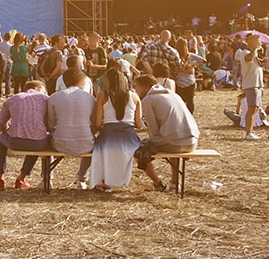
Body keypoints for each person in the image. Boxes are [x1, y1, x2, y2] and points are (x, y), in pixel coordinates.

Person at [89, 63, 141, 191]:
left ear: (108, 81)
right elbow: (139, 124)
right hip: (129, 138)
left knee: (100, 148)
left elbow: (97, 123)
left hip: (109, 135)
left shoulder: (103, 95)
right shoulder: (134, 96)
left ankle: (104, 181)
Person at [134, 74, 189, 191]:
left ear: (145, 87)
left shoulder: (148, 99)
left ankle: (158, 183)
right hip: (191, 141)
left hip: (175, 143)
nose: (135, 90)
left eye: (136, 87)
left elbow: (153, 131)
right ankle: (175, 182)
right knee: (171, 137)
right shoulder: (173, 94)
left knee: (136, 148)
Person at [0, 81, 49, 190]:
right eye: (44, 91)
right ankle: (22, 178)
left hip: (15, 141)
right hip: (39, 143)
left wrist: (8, 129)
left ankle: (0, 177)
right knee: (37, 139)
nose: (45, 93)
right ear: (36, 88)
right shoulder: (46, 99)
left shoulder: (13, 99)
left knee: (1, 139)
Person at [44, 66, 95, 187]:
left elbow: (50, 124)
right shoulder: (91, 98)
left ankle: (47, 178)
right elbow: (93, 125)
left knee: (45, 141)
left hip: (60, 143)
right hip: (86, 144)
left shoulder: (54, 97)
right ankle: (82, 178)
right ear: (81, 81)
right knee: (94, 143)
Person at [235, 40, 264, 139]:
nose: (260, 44)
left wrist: (261, 86)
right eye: (258, 42)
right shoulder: (245, 53)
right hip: (251, 84)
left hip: (257, 84)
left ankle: (250, 131)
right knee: (251, 108)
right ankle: (248, 133)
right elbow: (248, 58)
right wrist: (255, 48)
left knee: (255, 108)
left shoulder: (255, 54)